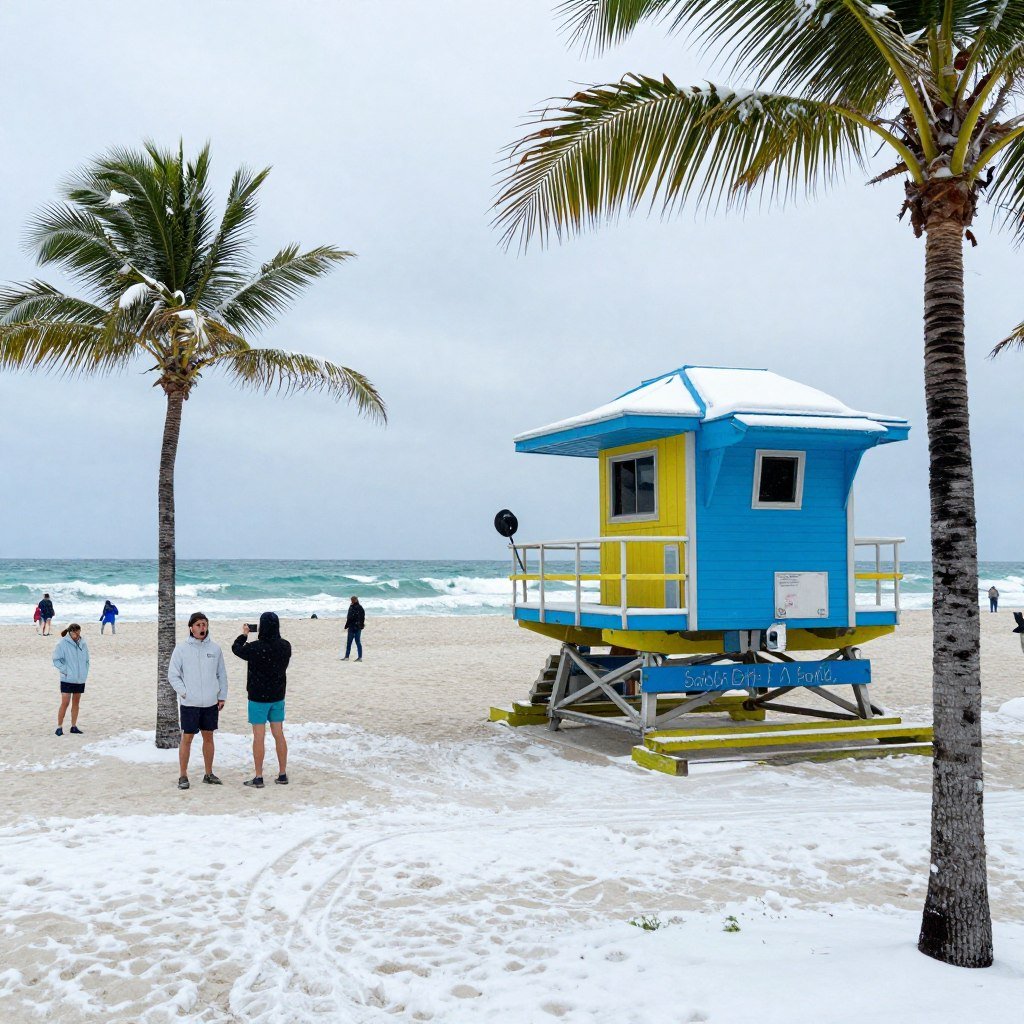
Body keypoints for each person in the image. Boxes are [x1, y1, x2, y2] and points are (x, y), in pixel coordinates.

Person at [168, 611, 228, 790]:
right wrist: (184, 693)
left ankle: (208, 773)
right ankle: (183, 775)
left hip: (210, 703)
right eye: (199, 625)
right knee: (187, 738)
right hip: (189, 704)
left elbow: (221, 674)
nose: (202, 628)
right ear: (191, 628)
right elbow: (173, 675)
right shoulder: (181, 648)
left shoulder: (215, 649)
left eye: (204, 624)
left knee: (208, 738)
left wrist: (222, 695)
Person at [232, 612, 292, 788]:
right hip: (277, 695)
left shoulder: (255, 647)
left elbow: (236, 648)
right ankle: (282, 774)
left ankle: (258, 776)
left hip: (258, 696)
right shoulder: (285, 646)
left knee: (259, 737)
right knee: (278, 734)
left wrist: (244, 634)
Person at [52, 623, 89, 736]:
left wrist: (84, 672)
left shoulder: (83, 643)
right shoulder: (62, 643)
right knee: (65, 703)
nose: (78, 635)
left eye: (79, 633)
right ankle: (59, 727)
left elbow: (87, 659)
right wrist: (66, 670)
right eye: (75, 633)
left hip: (80, 679)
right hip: (67, 679)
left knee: (76, 703)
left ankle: (73, 726)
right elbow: (56, 660)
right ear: (70, 632)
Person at [342, 595, 365, 661]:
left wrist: (346, 626)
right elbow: (362, 617)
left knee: (351, 642)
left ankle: (347, 657)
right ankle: (359, 657)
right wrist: (361, 625)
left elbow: (349, 618)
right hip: (357, 627)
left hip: (353, 627)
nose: (351, 601)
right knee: (356, 642)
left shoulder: (353, 607)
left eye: (352, 600)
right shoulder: (359, 607)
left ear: (354, 600)